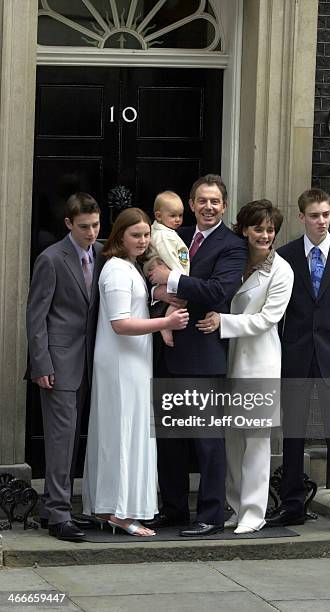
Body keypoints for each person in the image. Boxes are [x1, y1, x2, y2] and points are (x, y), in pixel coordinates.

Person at [266, 188, 330, 537]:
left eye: (326, 215)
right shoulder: (284, 256)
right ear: (301, 218)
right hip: (295, 354)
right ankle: (292, 504)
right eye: (315, 215)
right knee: (293, 434)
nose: (322, 221)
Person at [147, 174, 248, 537]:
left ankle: (210, 515)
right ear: (191, 205)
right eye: (201, 201)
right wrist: (160, 288)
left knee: (207, 440)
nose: (208, 207)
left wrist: (170, 281)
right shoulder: (174, 235)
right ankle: (173, 509)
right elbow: (151, 277)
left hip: (204, 355)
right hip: (167, 351)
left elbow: (218, 291)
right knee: (170, 438)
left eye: (215, 202)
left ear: (224, 206)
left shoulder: (232, 245)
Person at [82, 207, 188, 537]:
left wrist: (159, 293)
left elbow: (138, 299)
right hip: (120, 363)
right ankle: (119, 512)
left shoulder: (129, 267)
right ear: (119, 237)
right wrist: (166, 323)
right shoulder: (115, 270)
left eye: (146, 235)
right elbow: (120, 323)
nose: (143, 241)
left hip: (132, 361)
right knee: (121, 433)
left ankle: (109, 507)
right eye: (135, 235)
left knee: (125, 432)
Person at [197, 200, 294, 533]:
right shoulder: (234, 260)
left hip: (259, 364)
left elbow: (267, 319)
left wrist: (222, 321)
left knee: (255, 439)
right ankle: (235, 506)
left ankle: (254, 512)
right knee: (232, 440)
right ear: (244, 229)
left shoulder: (281, 270)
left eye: (270, 230)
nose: (265, 235)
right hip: (226, 362)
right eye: (258, 228)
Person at [26, 192, 104, 542]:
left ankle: (52, 507)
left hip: (90, 360)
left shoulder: (103, 254)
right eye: (85, 226)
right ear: (69, 224)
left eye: (96, 225)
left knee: (73, 438)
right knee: (60, 439)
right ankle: (59, 513)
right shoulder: (51, 259)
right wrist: (40, 362)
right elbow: (36, 315)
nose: (91, 232)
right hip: (57, 363)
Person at [142, 191, 189, 347]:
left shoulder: (167, 232)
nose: (178, 220)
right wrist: (181, 279)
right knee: (179, 299)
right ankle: (166, 326)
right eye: (173, 215)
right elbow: (169, 256)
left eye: (180, 215)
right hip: (168, 273)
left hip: (170, 274)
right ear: (159, 216)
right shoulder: (163, 235)